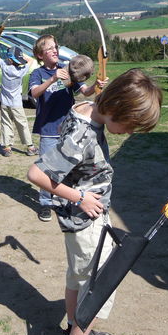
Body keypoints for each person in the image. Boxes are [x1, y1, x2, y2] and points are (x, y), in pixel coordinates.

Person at [27, 69, 163, 335]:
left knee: (79, 278)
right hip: (85, 219)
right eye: (128, 126)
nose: (128, 133)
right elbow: (37, 174)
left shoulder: (86, 109)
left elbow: (89, 100)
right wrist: (82, 197)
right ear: (114, 108)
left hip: (81, 220)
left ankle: (75, 327)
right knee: (99, 287)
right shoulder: (82, 135)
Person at [29, 35, 106, 222]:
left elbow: (85, 91)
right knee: (46, 169)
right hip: (48, 130)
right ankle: (46, 203)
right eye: (49, 49)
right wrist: (53, 79)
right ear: (40, 55)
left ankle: (65, 199)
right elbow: (35, 93)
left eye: (55, 47)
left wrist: (96, 84)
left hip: (69, 129)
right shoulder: (38, 74)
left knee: (69, 167)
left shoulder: (68, 69)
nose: (55, 50)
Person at [0, 41, 38, 157]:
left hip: (5, 104)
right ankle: (30, 147)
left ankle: (6, 148)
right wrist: (20, 54)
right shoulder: (21, 71)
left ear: (9, 60)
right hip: (16, 104)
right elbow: (31, 60)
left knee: (6, 124)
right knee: (22, 124)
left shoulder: (4, 67)